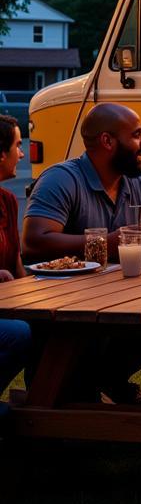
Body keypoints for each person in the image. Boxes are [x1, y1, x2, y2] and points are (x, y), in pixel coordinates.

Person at [22, 103, 141, 404]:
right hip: (66, 307)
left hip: (119, 297)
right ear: (107, 141)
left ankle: (104, 379)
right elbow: (34, 241)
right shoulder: (61, 179)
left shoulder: (139, 181)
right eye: (137, 135)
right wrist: (104, 243)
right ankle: (72, 389)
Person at [0, 114, 31, 423]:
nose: (21, 154)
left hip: (7, 302)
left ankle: (54, 400)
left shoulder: (8, 201)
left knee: (47, 324)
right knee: (19, 333)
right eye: (18, 145)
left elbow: (17, 267)